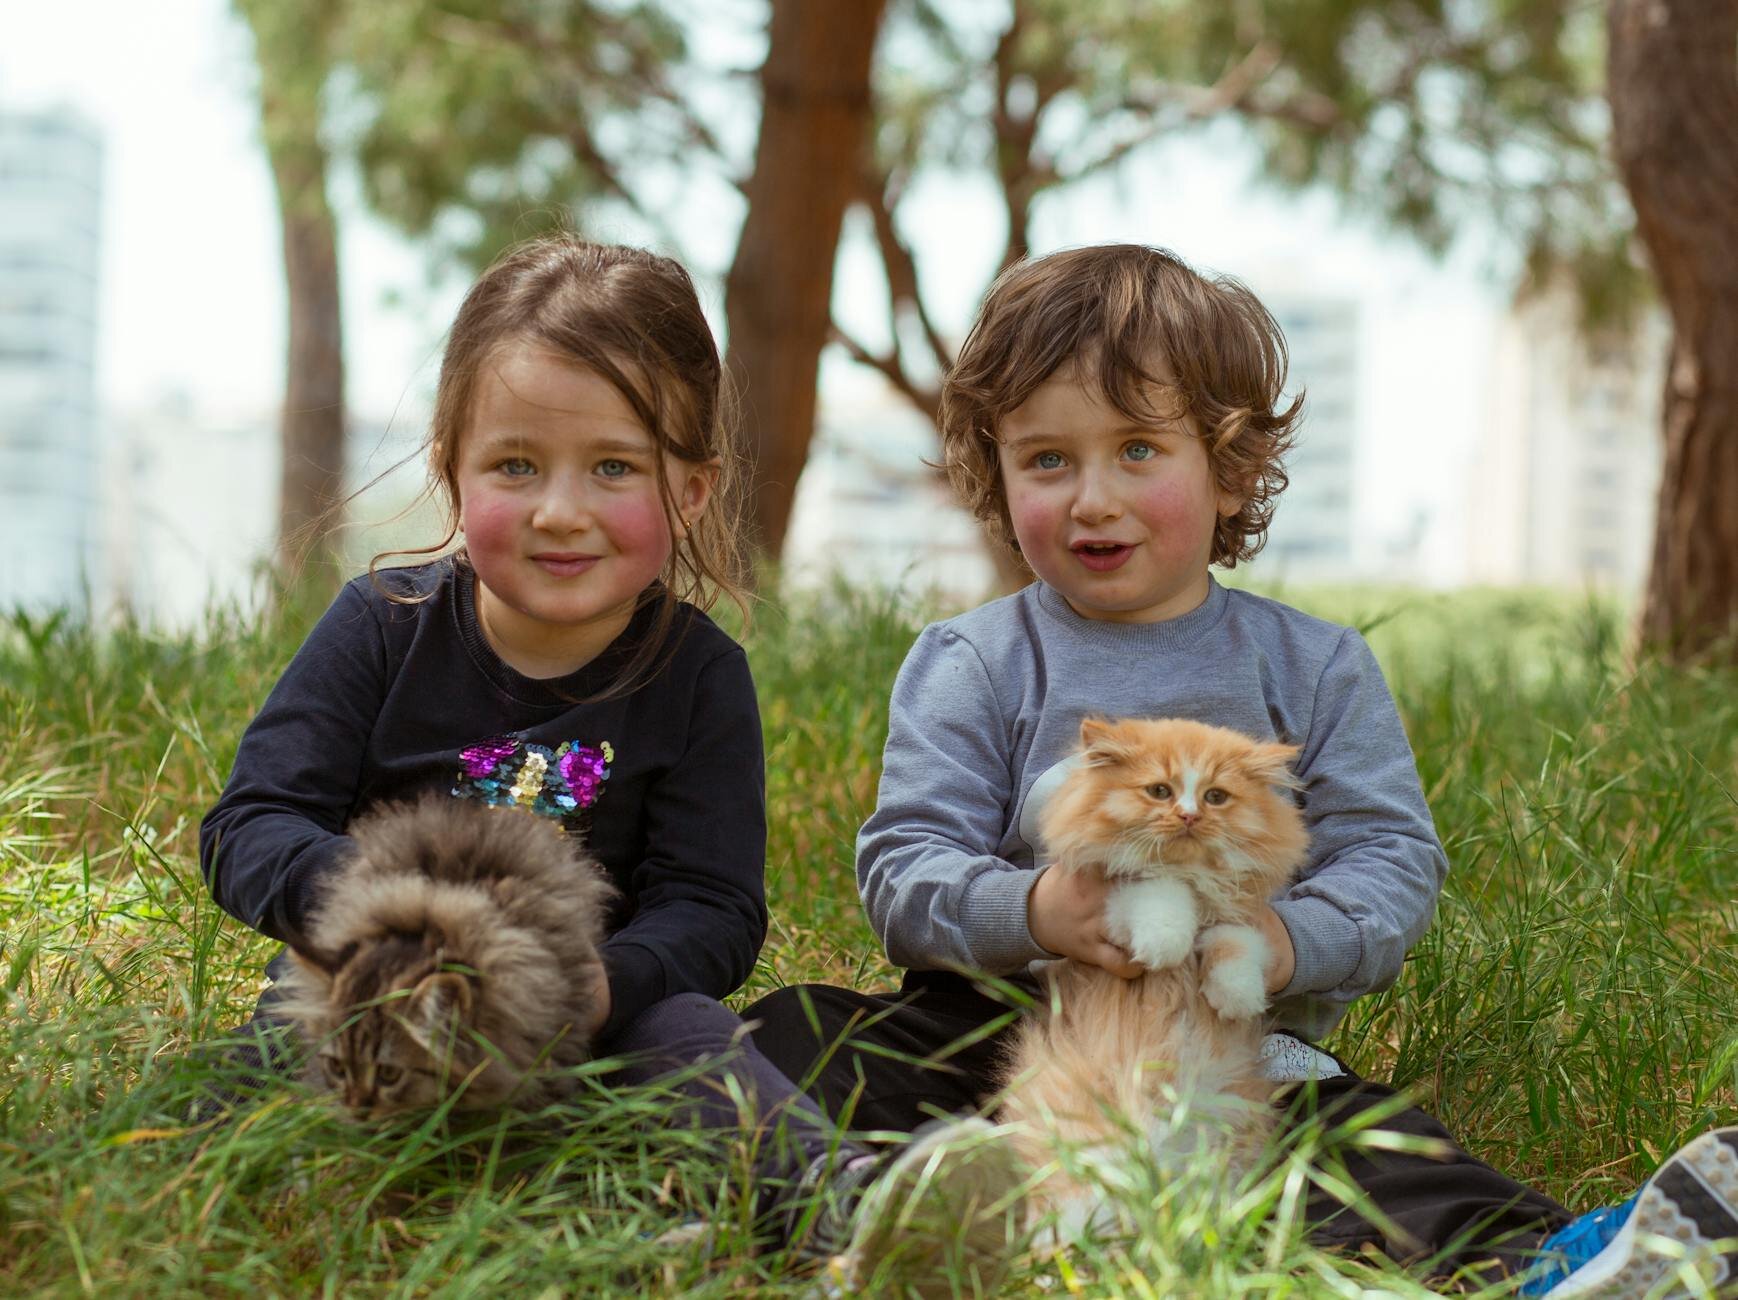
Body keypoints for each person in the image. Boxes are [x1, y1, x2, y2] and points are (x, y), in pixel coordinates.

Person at [743, 243, 1738, 1296]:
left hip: (1237, 1047)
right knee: (789, 1036)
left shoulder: (1313, 665)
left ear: (1228, 467)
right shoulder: (973, 660)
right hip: (996, 1031)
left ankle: (1562, 1264)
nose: (1092, 497)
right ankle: (870, 1209)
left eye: (1137, 449)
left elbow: (1392, 857)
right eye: (1046, 460)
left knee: (1368, 1147)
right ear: (993, 471)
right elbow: (903, 867)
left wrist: (1279, 941)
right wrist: (1039, 908)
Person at [196, 235, 1022, 1295]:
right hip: (377, 989)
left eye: (614, 467)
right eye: (515, 465)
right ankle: (227, 1155)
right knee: (274, 1037)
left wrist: (603, 984)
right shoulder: (380, 626)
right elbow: (250, 823)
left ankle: (844, 1208)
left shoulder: (698, 673)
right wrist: (379, 924)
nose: (560, 509)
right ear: (450, 462)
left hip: (591, 1022)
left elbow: (714, 905)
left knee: (697, 1039)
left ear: (689, 490)